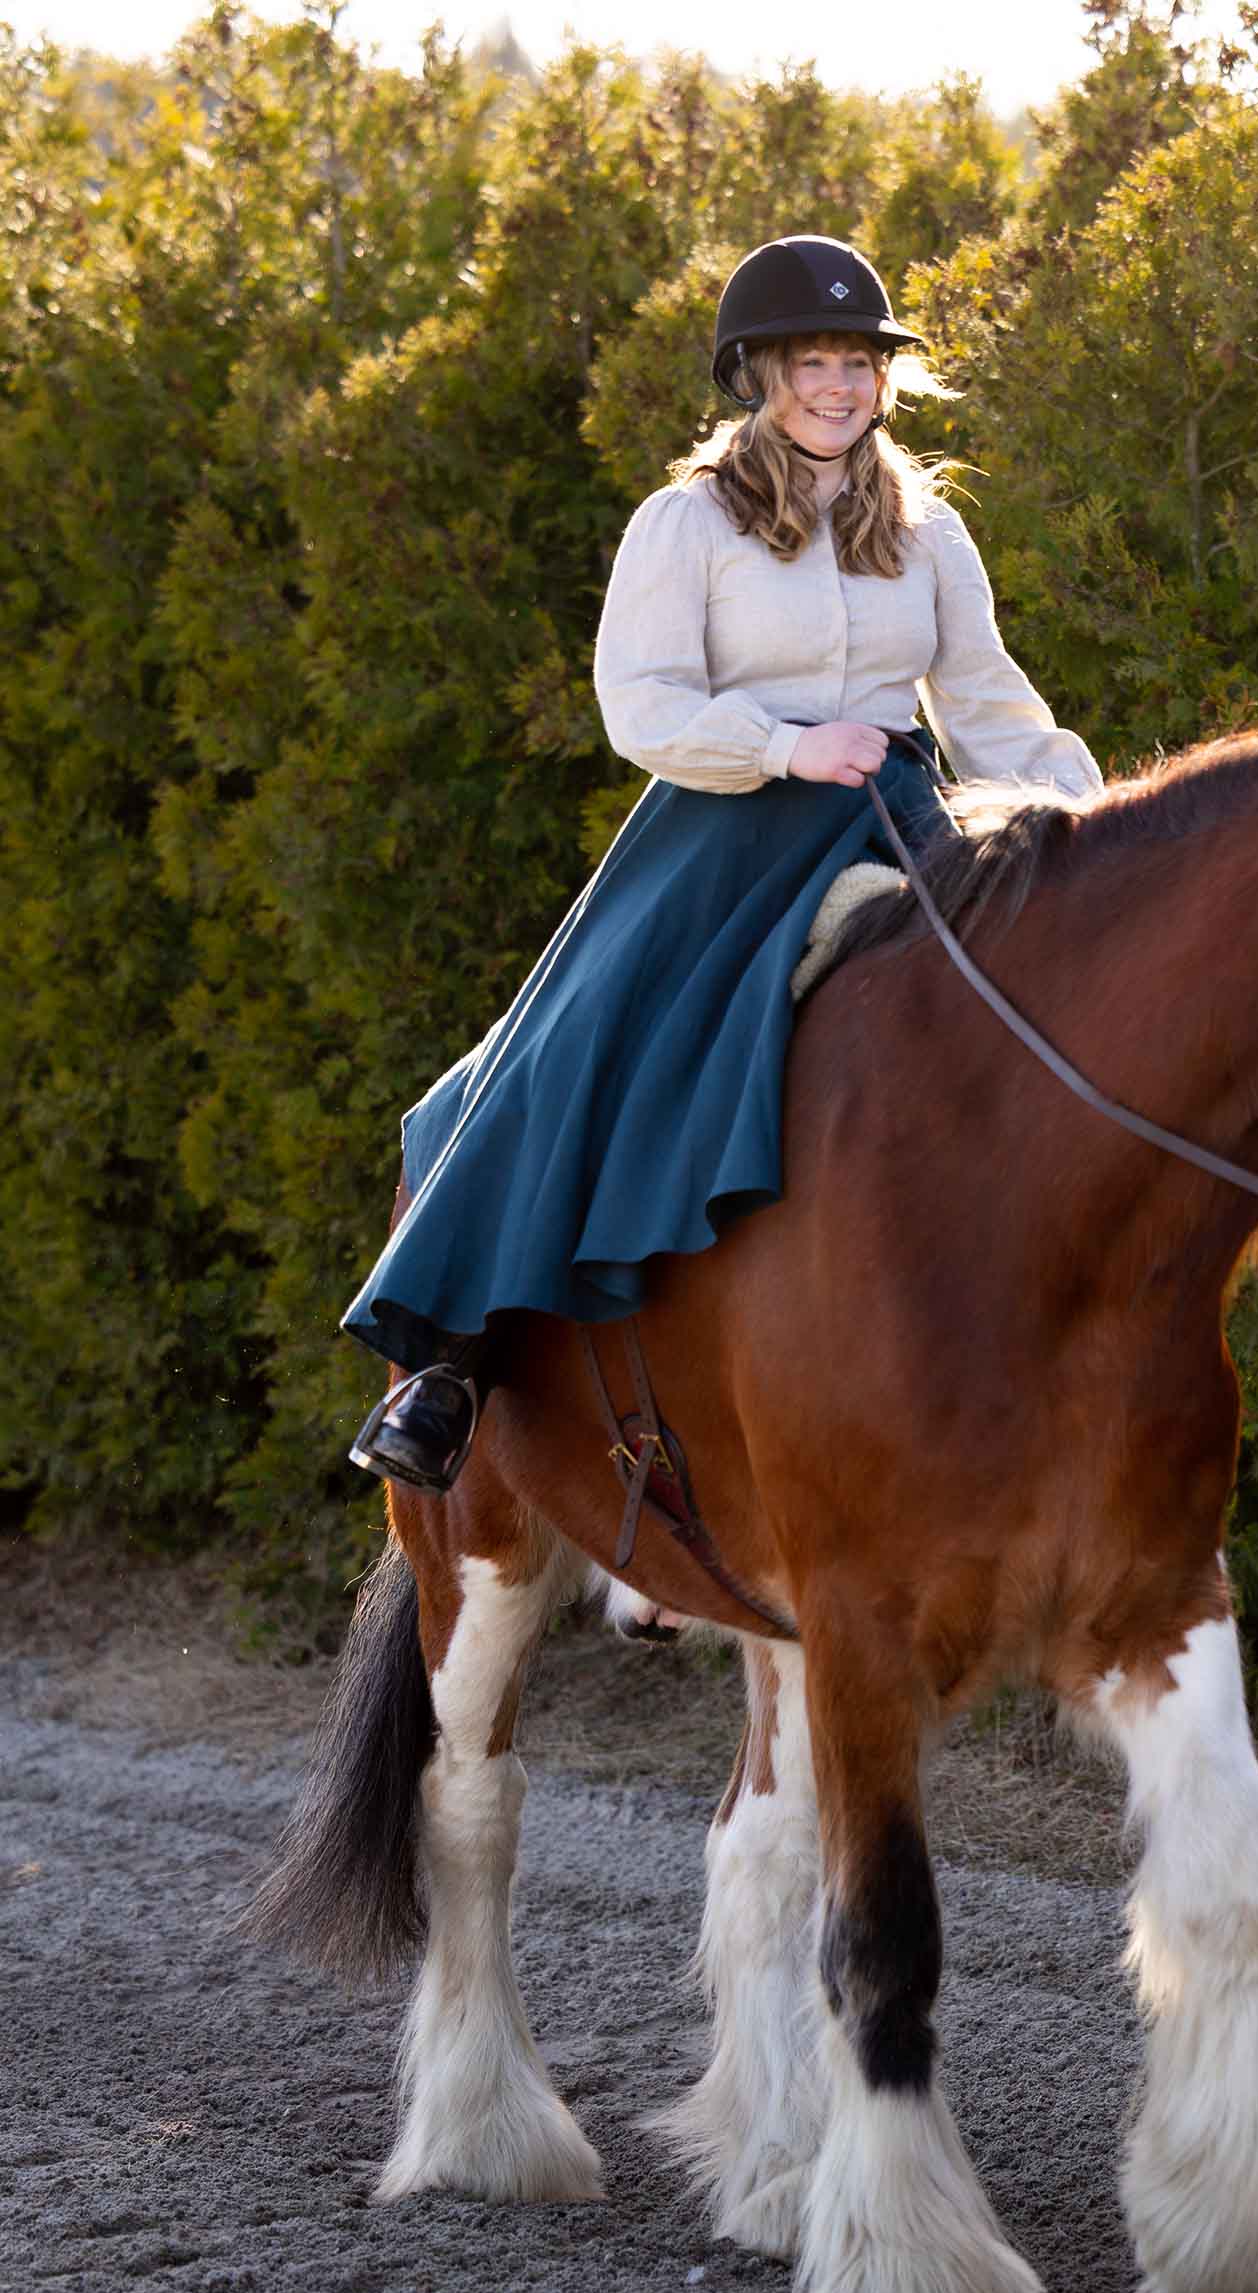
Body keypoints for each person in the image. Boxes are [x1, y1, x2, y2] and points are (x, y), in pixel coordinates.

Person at [343, 234, 1103, 1494]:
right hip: (725, 823)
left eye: (859, 360)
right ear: (759, 372)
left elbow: (988, 707)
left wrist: (1085, 814)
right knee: (579, 1043)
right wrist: (781, 746)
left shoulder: (931, 534)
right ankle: (450, 1358)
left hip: (899, 817)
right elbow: (637, 704)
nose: (839, 384)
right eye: (813, 358)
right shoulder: (684, 523)